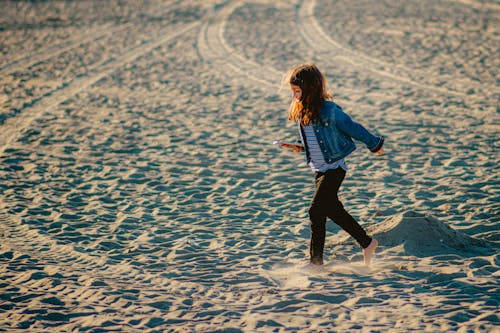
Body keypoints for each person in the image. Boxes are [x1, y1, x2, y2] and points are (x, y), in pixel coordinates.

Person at [280, 63, 384, 266]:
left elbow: (354, 128)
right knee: (333, 210)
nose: (295, 97)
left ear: (310, 88)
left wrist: (375, 144)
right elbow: (314, 139)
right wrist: (299, 146)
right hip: (319, 169)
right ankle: (367, 242)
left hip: (334, 169)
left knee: (315, 212)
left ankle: (316, 262)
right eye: (293, 92)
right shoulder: (303, 111)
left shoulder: (330, 110)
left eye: (298, 91)